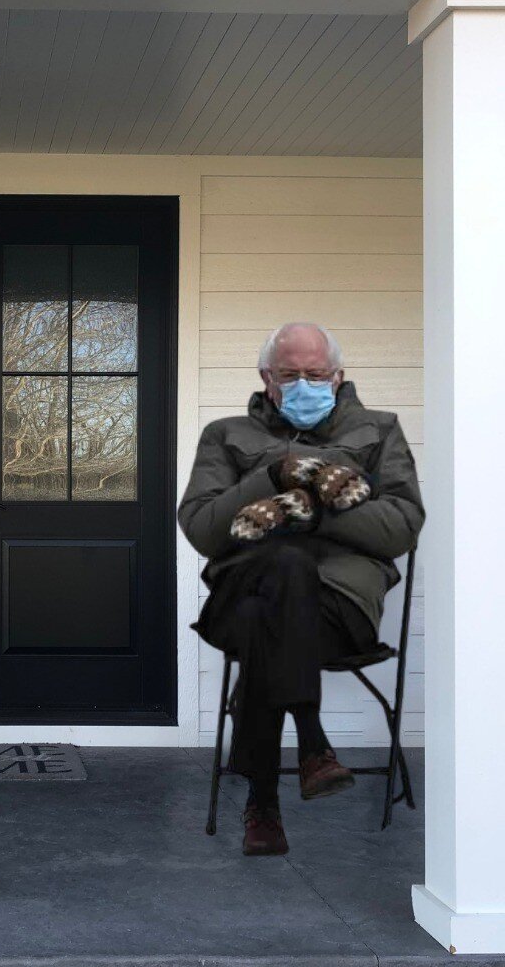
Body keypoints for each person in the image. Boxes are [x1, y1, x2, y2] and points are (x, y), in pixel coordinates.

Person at [178, 322, 424, 856]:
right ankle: (312, 741)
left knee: (275, 599)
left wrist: (310, 517)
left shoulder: (379, 431)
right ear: (268, 378)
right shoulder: (225, 435)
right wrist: (272, 475)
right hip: (241, 597)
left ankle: (262, 805)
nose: (305, 384)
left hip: (339, 610)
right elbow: (202, 529)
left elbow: (401, 527)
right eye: (291, 375)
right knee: (280, 575)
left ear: (338, 377)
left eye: (317, 374)